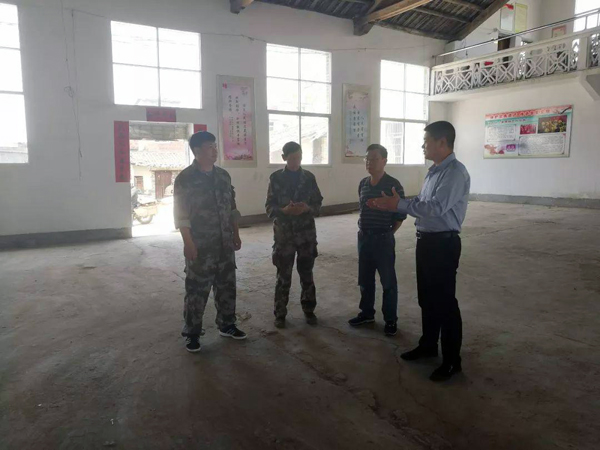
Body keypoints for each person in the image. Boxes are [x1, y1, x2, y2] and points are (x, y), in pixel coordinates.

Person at [368, 121, 470, 381]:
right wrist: (399, 204)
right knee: (427, 298)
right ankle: (428, 345)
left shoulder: (455, 173)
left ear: (442, 142)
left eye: (426, 141)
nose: (422, 146)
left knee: (445, 302)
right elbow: (423, 202)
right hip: (426, 241)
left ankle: (452, 360)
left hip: (443, 244)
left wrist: (399, 205)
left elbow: (435, 208)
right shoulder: (434, 172)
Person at [173, 131, 246, 353]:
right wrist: (188, 243)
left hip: (225, 243)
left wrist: (235, 234)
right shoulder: (185, 179)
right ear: (197, 151)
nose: (215, 150)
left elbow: (232, 209)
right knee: (197, 290)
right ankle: (192, 333)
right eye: (209, 147)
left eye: (215, 146)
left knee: (227, 286)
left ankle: (227, 324)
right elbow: (181, 215)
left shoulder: (223, 176)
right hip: (201, 245)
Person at [348, 144, 406, 337]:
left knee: (388, 281)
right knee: (365, 279)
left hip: (383, 239)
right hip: (364, 238)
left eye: (374, 158)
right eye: (367, 159)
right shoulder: (363, 184)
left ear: (384, 161)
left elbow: (400, 215)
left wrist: (387, 233)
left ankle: (390, 319)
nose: (369, 162)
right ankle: (367, 313)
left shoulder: (393, 185)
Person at [265, 142, 323, 329]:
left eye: (299, 157)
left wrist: (307, 208)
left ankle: (309, 310)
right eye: (292, 158)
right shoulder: (276, 178)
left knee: (307, 274)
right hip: (284, 236)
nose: (296, 161)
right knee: (283, 276)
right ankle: (280, 313)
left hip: (306, 235)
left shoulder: (309, 178)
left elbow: (318, 204)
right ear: (284, 158)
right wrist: (284, 211)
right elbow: (269, 208)